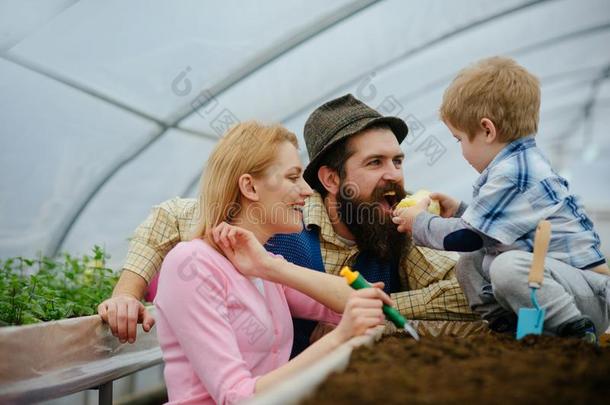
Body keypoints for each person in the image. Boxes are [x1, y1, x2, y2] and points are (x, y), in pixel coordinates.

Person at [98, 94, 477, 353]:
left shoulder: (394, 231)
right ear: (330, 180)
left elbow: (469, 291)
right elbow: (169, 217)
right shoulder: (285, 223)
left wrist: (376, 311)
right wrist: (127, 293)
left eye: (398, 161)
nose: (394, 175)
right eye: (375, 163)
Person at [154, 121, 391, 404]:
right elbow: (236, 397)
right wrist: (339, 338)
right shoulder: (192, 264)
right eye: (293, 178)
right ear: (250, 187)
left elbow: (365, 302)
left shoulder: (261, 263)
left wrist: (271, 267)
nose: (307, 190)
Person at [392, 56, 610, 342]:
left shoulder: (514, 173)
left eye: (460, 140)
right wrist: (459, 210)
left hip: (582, 295)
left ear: (487, 130)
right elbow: (496, 230)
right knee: (471, 262)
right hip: (554, 285)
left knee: (506, 267)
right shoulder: (517, 164)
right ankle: (507, 330)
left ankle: (575, 336)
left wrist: (419, 220)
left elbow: (466, 237)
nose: (461, 150)